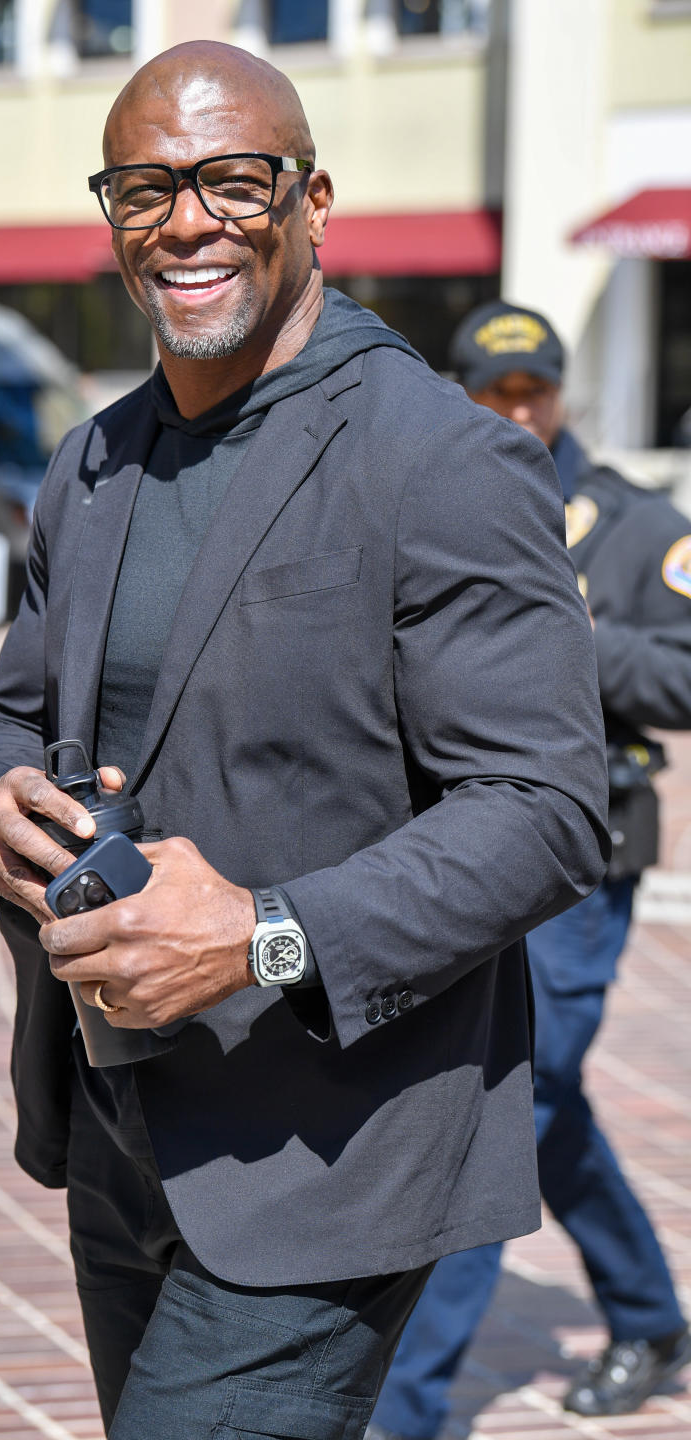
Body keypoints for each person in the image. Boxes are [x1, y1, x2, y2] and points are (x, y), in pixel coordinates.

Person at [0, 49, 608, 1439]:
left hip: (330, 1149)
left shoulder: (442, 458)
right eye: (144, 189)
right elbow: (16, 706)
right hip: (118, 1125)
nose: (184, 222)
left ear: (313, 202)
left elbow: (547, 809)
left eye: (229, 182)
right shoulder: (96, 460)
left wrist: (263, 935)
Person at [369, 300, 691, 1440]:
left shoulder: (638, 526)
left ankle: (407, 1410)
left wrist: (559, 632)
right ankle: (652, 1315)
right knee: (540, 1106)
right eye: (494, 391)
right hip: (449, 842)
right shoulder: (424, 492)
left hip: (579, 853)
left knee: (507, 1101)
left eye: (533, 391)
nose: (517, 409)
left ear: (561, 396)